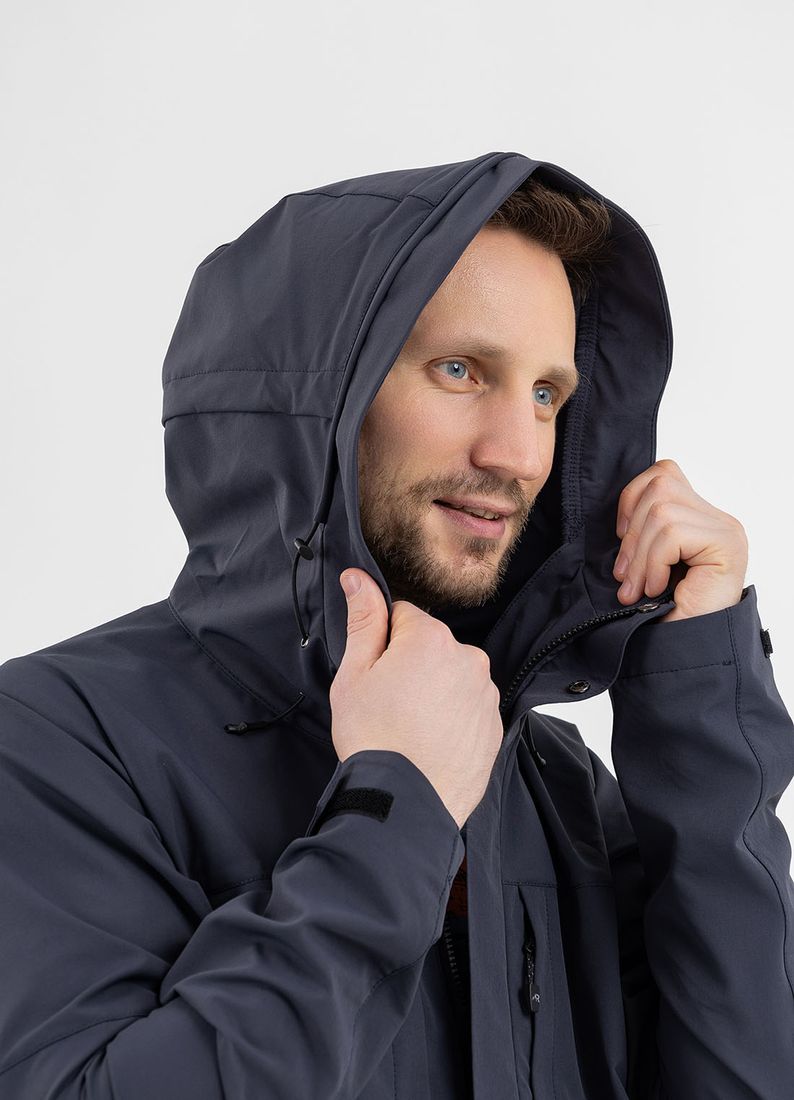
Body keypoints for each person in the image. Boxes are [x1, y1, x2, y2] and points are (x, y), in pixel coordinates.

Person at [0, 150, 792, 1099]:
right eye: (460, 370)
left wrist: (695, 695)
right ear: (316, 405)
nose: (521, 454)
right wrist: (395, 813)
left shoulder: (550, 781)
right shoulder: (55, 740)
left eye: (548, 395)